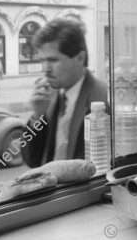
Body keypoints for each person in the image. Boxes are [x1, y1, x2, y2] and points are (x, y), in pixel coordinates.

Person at [21, 18, 108, 167]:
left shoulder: (102, 98)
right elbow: (32, 160)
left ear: (80, 58)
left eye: (53, 60)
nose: (46, 68)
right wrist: (37, 117)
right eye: (42, 60)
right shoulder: (49, 98)